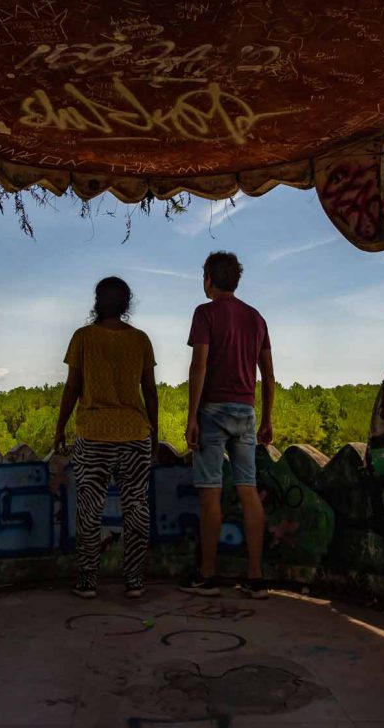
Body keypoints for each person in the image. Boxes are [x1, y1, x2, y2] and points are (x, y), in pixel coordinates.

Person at [54, 277, 159, 600]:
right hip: (134, 434)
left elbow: (72, 387)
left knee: (89, 509)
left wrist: (60, 427)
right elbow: (149, 390)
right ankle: (135, 581)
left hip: (94, 434)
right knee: (136, 507)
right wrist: (154, 431)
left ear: (97, 302)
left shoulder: (83, 338)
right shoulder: (140, 340)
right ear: (127, 304)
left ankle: (87, 580)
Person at [179, 252, 274, 599]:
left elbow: (198, 367)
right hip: (246, 411)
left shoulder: (205, 314)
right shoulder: (256, 318)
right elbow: (269, 375)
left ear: (208, 278)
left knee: (211, 491)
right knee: (247, 489)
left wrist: (192, 417)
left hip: (213, 411)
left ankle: (207, 574)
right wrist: (267, 418)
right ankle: (255, 576)